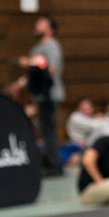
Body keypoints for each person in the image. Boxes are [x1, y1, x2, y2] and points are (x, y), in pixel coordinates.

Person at [18, 15, 65, 177]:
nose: (37, 25)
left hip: (50, 95)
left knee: (49, 130)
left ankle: (55, 165)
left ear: (50, 30)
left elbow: (50, 69)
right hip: (39, 95)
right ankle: (48, 162)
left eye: (41, 24)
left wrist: (30, 63)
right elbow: (32, 74)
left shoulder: (51, 46)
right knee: (44, 130)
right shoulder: (37, 48)